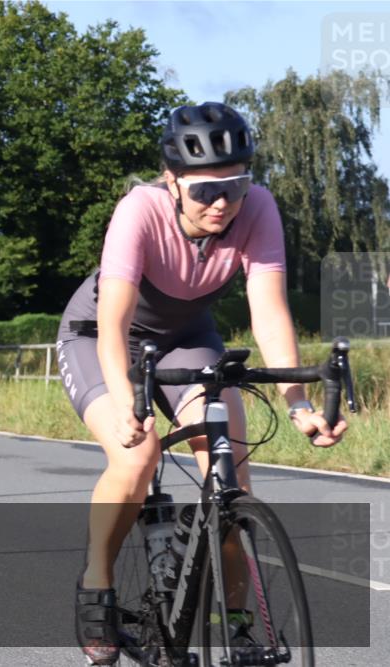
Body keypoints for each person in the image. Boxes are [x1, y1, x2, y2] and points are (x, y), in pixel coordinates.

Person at [56, 102, 348, 665]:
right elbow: (114, 322)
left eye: (234, 186)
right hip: (101, 337)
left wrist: (298, 403)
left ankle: (238, 624)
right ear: (172, 182)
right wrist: (125, 402)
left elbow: (268, 312)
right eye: (203, 192)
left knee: (230, 477)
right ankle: (97, 584)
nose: (221, 204)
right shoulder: (138, 210)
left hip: (189, 335)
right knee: (135, 455)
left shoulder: (258, 209)